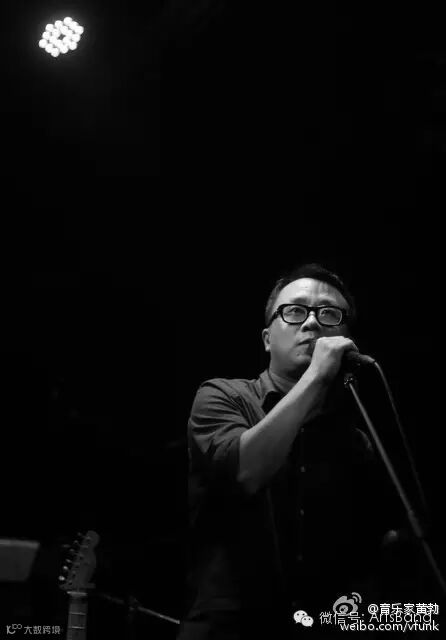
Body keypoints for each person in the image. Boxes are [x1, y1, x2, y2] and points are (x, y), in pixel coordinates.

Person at [176, 263, 399, 640]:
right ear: (267, 338)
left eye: (329, 314)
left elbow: (364, 557)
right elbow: (245, 473)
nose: (311, 323)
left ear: (345, 339)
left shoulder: (355, 441)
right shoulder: (222, 396)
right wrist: (316, 375)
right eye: (295, 311)